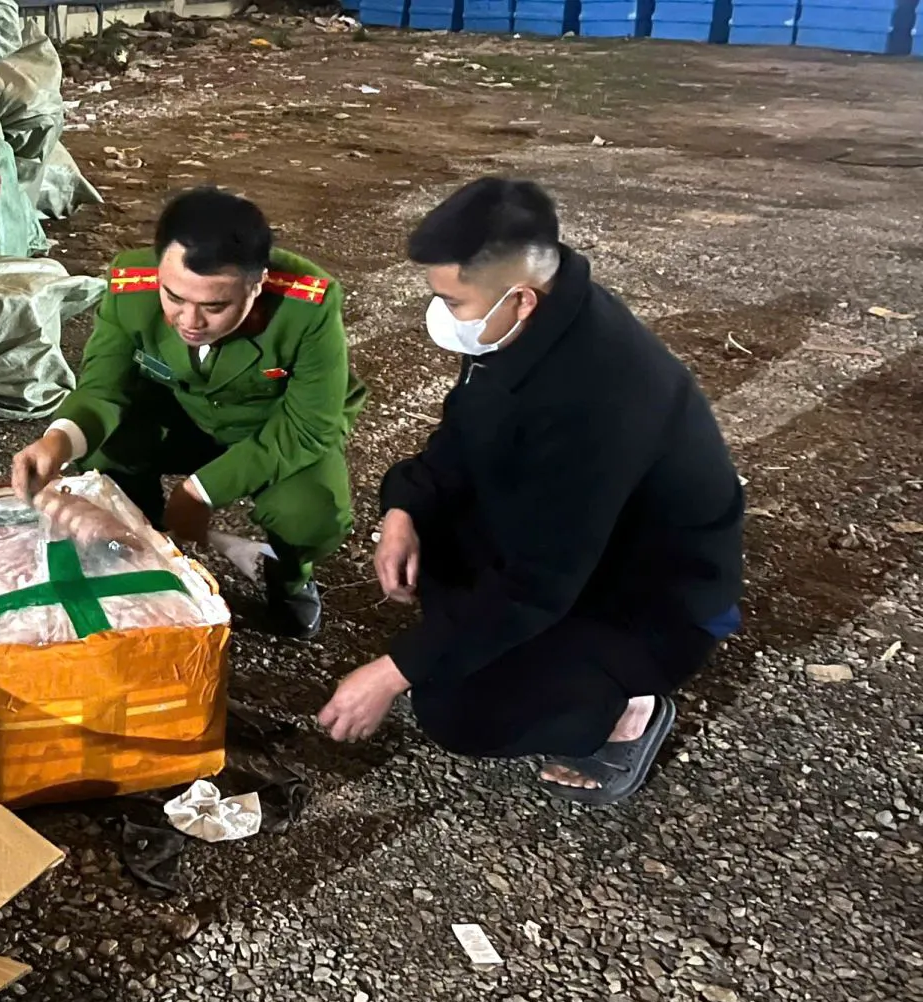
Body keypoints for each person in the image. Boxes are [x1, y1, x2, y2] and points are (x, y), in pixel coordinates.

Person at [316, 177, 744, 806]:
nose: (442, 316)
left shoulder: (598, 397)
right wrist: (404, 508)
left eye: (452, 301)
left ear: (519, 299)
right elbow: (463, 434)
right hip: (571, 533)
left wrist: (392, 672)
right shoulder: (532, 323)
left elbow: (539, 582)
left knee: (460, 710)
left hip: (648, 592)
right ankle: (498, 646)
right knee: (439, 562)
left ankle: (629, 710)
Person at [10, 187, 368, 638]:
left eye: (214, 306)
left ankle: (290, 577)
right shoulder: (131, 286)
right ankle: (140, 550)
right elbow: (104, 387)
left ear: (257, 285)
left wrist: (200, 491)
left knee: (311, 511)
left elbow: (308, 428)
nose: (190, 321)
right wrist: (58, 440)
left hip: (269, 430)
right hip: (179, 420)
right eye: (174, 297)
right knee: (106, 449)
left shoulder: (306, 307)